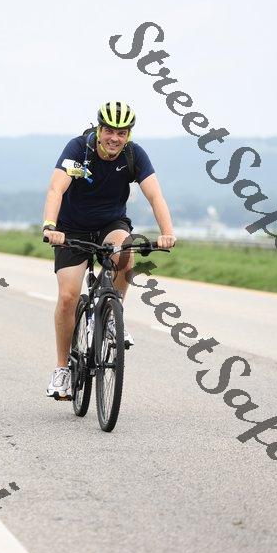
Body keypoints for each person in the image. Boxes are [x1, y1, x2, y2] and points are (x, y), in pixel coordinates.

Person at [42, 101, 176, 398]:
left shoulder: (133, 154)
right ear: (99, 129)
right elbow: (56, 189)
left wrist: (167, 233)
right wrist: (50, 226)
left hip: (110, 223)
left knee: (125, 251)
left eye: (122, 132)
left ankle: (113, 317)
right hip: (71, 228)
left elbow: (155, 196)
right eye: (109, 131)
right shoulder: (79, 150)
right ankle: (62, 369)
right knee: (68, 297)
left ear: (128, 135)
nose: (115, 138)